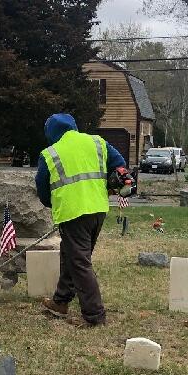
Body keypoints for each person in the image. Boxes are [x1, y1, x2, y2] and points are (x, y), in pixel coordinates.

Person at [35, 113, 127, 327]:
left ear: (51, 133)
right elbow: (120, 164)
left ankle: (95, 316)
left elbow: (42, 188)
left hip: (73, 213)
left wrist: (53, 202)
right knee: (72, 257)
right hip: (98, 209)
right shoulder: (97, 142)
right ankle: (61, 301)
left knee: (79, 263)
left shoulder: (50, 154)